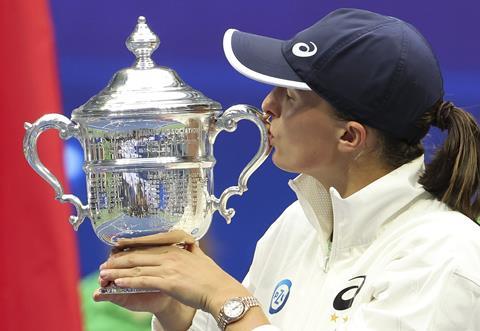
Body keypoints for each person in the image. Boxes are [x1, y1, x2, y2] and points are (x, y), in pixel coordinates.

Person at [93, 8, 480, 331]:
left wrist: (226, 298)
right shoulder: (297, 224)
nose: (267, 105)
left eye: (290, 96)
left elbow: (242, 316)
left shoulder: (448, 258)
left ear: (350, 136)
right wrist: (177, 307)